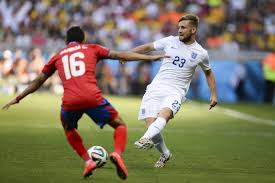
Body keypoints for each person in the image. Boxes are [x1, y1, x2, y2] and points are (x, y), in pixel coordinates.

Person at [2, 26, 166, 179]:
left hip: (70, 101)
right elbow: (121, 55)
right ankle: (116, 153)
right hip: (92, 97)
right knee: (119, 125)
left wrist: (18, 98)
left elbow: (38, 81)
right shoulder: (92, 48)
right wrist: (150, 57)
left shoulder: (57, 56)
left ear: (66, 40)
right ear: (83, 39)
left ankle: (88, 162)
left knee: (69, 128)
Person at [128, 14, 218, 168]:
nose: (180, 30)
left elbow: (208, 73)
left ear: (193, 29)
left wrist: (213, 94)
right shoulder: (170, 41)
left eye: (183, 27)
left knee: (165, 114)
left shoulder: (201, 53)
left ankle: (144, 139)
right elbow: (148, 47)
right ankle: (165, 154)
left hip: (176, 92)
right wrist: (128, 54)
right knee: (151, 125)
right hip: (155, 88)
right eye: (179, 27)